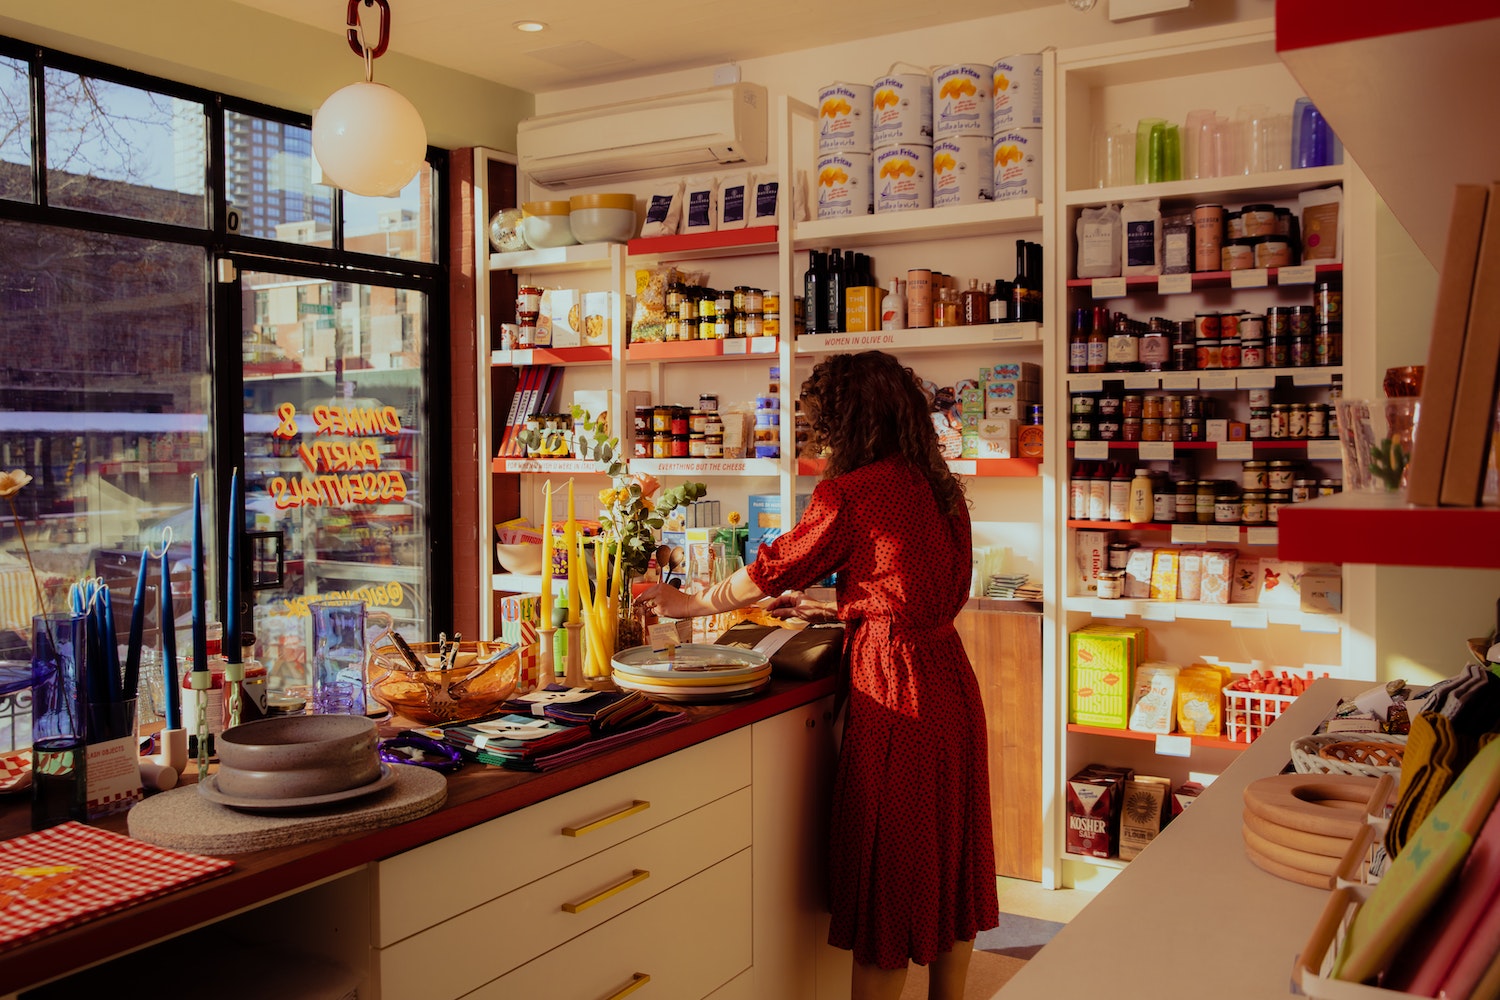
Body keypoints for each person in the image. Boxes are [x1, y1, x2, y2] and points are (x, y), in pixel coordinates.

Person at [638, 351, 999, 1000]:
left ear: (846, 424)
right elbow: (928, 590)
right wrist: (844, 604)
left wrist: (690, 603)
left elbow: (777, 565)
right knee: (950, 865)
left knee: (889, 876)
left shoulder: (850, 491)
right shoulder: (940, 487)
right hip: (950, 682)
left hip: (896, 691)